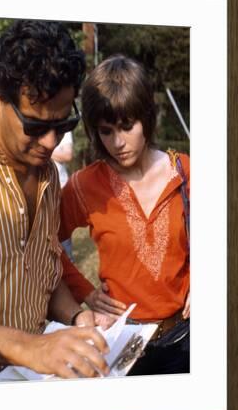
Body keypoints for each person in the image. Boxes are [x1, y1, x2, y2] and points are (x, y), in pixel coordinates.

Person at [0, 19, 111, 381]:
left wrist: (76, 316)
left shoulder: (50, 177)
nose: (51, 143)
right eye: (36, 126)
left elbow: (44, 274)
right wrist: (32, 349)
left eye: (63, 126)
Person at [59, 54, 190, 375]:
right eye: (105, 130)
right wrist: (84, 291)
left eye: (127, 126)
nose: (117, 142)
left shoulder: (187, 171)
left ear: (147, 117)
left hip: (189, 338)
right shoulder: (84, 184)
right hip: (123, 343)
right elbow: (43, 243)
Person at [52, 132, 75, 260]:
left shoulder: (64, 130)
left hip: (60, 187)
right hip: (39, 188)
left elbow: (67, 155)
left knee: (63, 236)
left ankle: (68, 263)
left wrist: (43, 149)